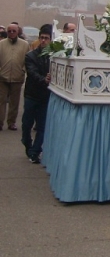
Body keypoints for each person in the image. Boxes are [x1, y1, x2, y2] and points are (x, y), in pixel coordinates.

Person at [21, 24, 53, 163]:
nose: (43, 41)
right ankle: (27, 142)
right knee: (26, 125)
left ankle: (35, 151)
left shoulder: (53, 57)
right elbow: (32, 72)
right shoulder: (31, 56)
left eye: (46, 38)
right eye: (42, 38)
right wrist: (44, 79)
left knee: (41, 126)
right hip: (31, 95)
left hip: (45, 97)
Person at [0, 23, 30, 130]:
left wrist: (23, 71)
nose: (11, 33)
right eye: (9, 31)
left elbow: (27, 61)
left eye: (14, 31)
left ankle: (11, 122)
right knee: (1, 101)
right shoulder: (1, 44)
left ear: (18, 32)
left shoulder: (25, 45)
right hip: (2, 77)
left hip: (17, 77)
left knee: (14, 102)